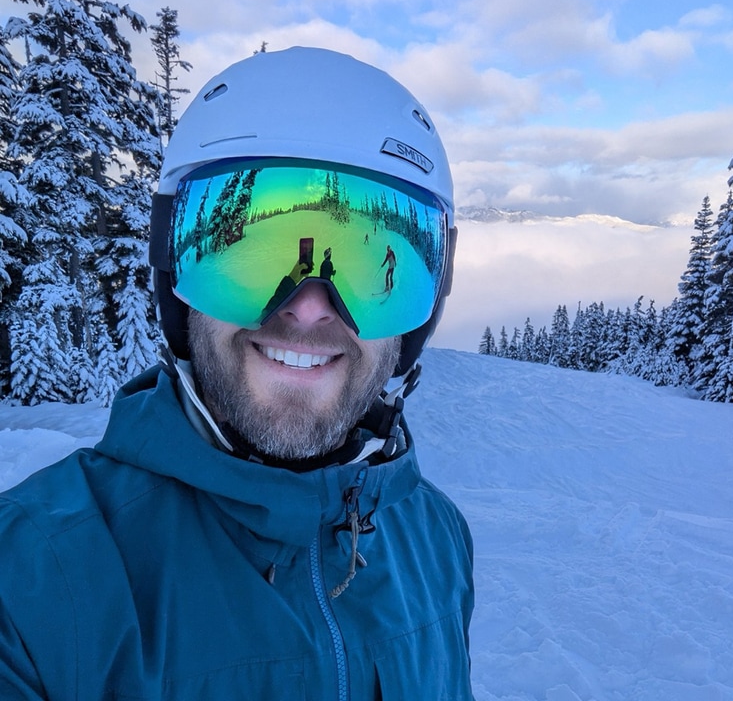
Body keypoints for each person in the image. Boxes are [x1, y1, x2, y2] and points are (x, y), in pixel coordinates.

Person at [0, 47, 472, 699]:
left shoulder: (437, 541)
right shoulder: (32, 582)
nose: (307, 309)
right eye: (249, 253)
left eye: (374, 267)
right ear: (174, 278)